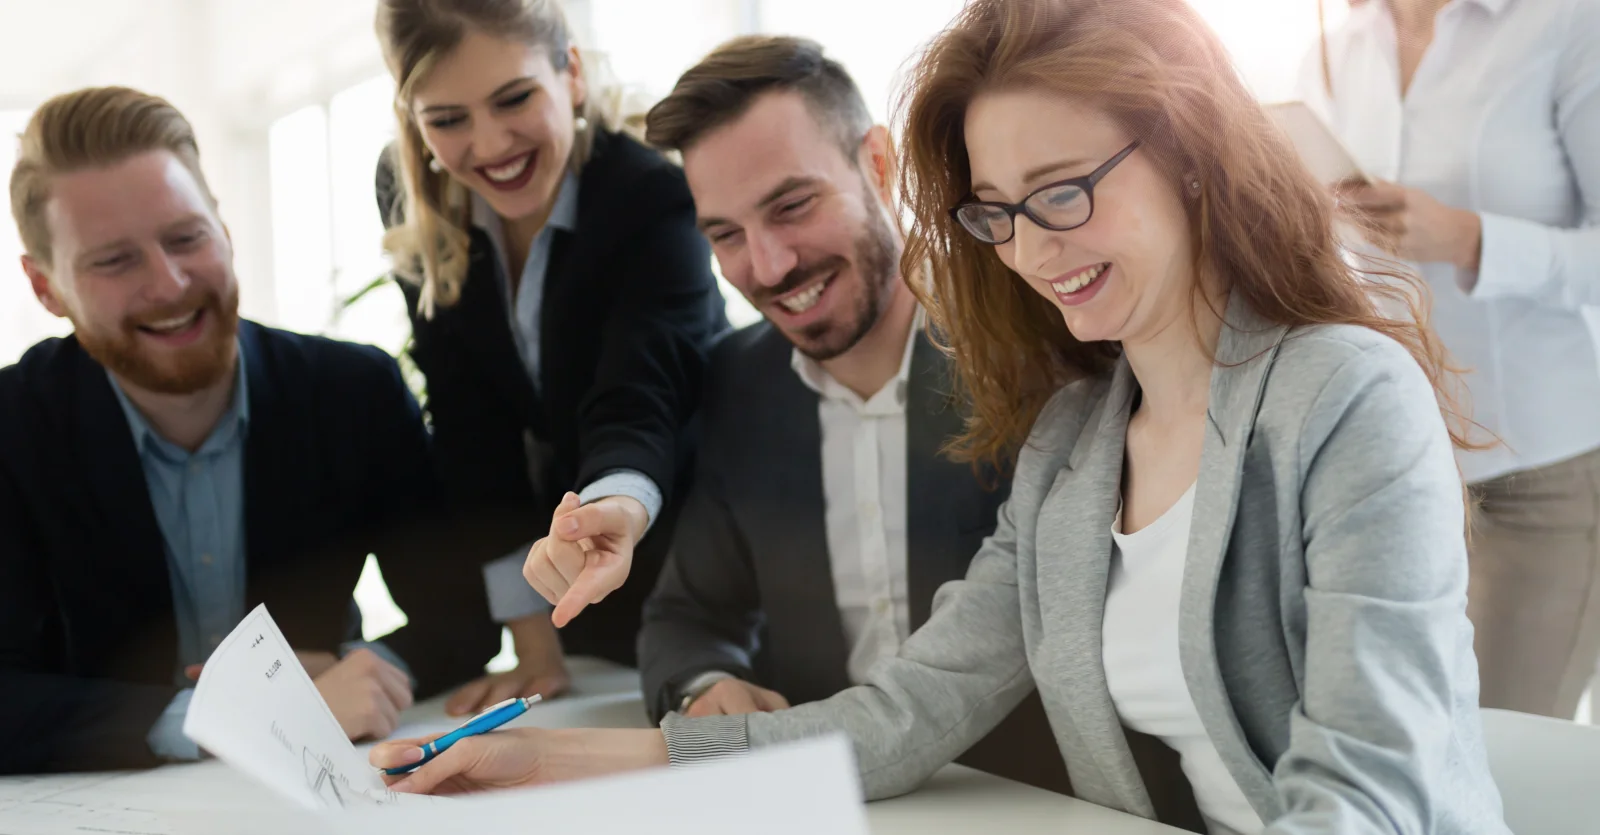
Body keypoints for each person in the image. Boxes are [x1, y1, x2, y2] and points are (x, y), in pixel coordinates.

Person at [370, 1, 1512, 832]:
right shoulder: (1074, 444)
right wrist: (540, 761)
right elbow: (896, 719)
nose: (1034, 251)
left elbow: (1368, 792)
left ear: (1192, 154)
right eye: (1002, 214)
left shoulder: (1344, 395)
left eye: (1065, 190)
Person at [0, 86, 500, 775]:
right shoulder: (12, 428)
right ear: (46, 287)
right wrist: (215, 721)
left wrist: (367, 672)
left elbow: (463, 617)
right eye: (114, 260)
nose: (170, 283)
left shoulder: (354, 391)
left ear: (224, 232)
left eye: (186, 237)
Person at [629, 36, 1069, 794]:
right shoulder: (739, 382)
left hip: (1035, 803)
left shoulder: (1035, 342)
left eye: (792, 206)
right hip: (827, 799)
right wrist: (704, 687)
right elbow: (686, 616)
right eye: (726, 235)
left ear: (878, 164)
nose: (767, 267)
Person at [373, 0, 728, 716]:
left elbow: (640, 392)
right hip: (571, 586)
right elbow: (473, 435)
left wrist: (609, 509)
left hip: (694, 568)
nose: (490, 143)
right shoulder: (415, 200)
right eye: (447, 120)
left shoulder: (652, 191)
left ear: (569, 72)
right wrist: (535, 647)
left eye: (514, 98)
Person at [1300, 0, 1600, 721]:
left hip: (1540, 485)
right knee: (1397, 749)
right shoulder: (1336, 48)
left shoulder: (1566, 25)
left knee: (1504, 755)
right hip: (1392, 476)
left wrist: (1470, 238)